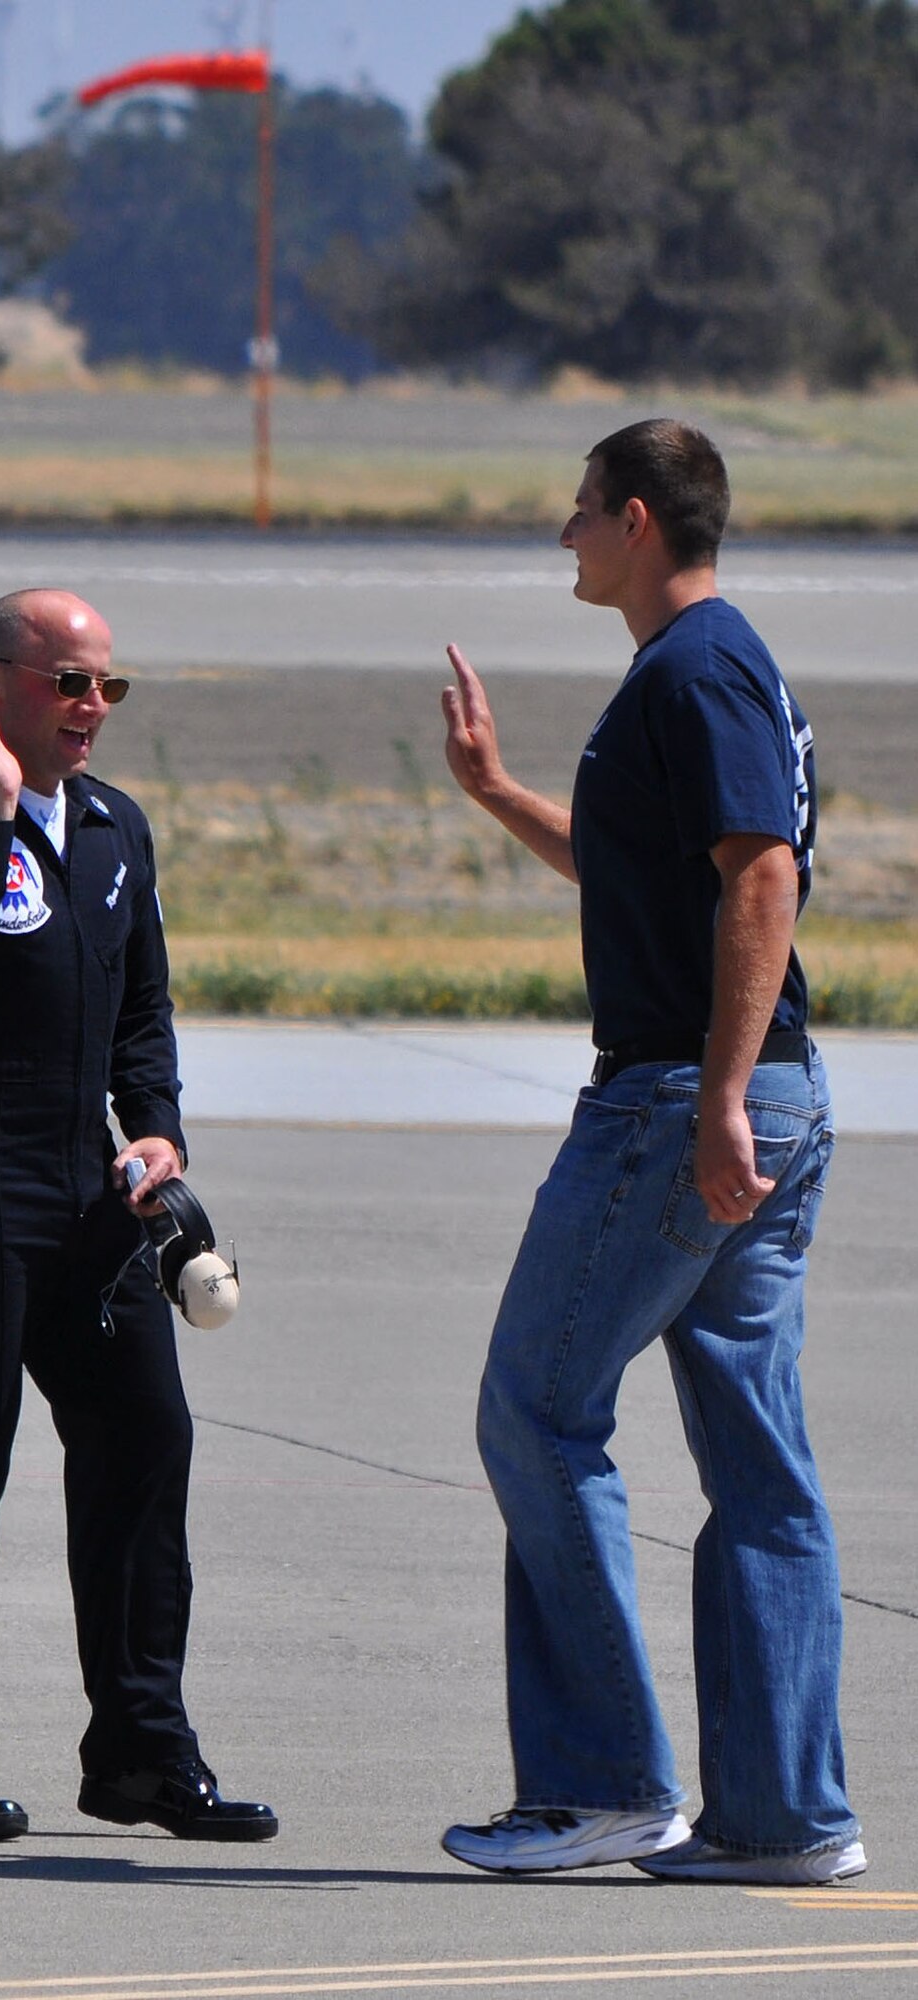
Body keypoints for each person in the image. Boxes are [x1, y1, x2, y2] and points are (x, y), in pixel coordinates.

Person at [437, 421, 863, 1884]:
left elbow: (765, 876)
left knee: (535, 1410)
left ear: (635, 519)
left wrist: (720, 1099)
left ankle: (604, 1782)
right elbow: (659, 867)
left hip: (687, 1103)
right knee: (756, 1463)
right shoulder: (700, 671)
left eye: (575, 516)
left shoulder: (701, 666)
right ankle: (784, 1819)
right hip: (746, 1095)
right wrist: (499, 794)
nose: (562, 539)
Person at [0, 587, 272, 1843]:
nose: (94, 707)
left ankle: (144, 1749)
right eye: (70, 683)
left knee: (148, 1438)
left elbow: (143, 1009)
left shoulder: (113, 827)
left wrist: (157, 1126)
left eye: (109, 686)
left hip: (92, 1196)